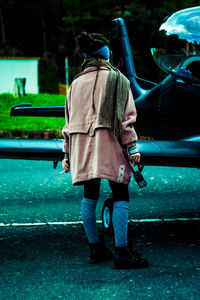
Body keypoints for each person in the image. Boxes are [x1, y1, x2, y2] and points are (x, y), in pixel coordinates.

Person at [62, 32, 149, 269]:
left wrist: (67, 153)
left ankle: (96, 248)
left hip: (81, 147)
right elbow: (125, 120)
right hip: (110, 144)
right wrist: (132, 147)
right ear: (106, 55)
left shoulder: (75, 83)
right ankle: (122, 252)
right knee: (120, 194)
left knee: (89, 196)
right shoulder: (118, 80)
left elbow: (68, 123)